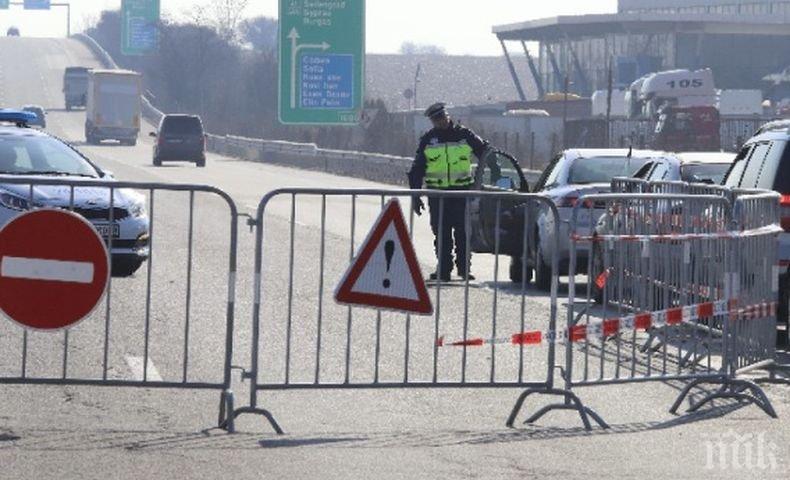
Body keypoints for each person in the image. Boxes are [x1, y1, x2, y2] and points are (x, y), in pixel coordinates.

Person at [408, 102, 490, 282]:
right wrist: (416, 196)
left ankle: (464, 269)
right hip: (438, 196)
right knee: (441, 233)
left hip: (461, 194)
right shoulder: (428, 140)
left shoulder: (464, 135)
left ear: (447, 116)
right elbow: (417, 169)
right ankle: (444, 270)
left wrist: (489, 177)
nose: (440, 121)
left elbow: (486, 153)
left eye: (442, 117)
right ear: (432, 121)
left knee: (463, 233)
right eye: (436, 119)